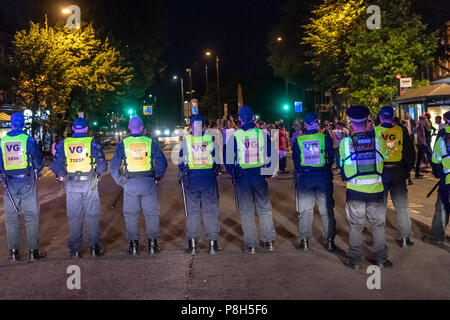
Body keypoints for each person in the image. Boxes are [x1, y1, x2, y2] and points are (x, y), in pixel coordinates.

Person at [339, 106, 392, 270]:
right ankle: (382, 259)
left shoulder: (345, 143)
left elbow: (343, 167)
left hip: (355, 191)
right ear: (368, 121)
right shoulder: (378, 141)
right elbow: (385, 158)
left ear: (349, 122)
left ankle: (355, 260)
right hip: (375, 191)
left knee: (355, 226)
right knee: (377, 226)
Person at [110, 116, 168, 255]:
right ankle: (153, 244)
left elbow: (113, 166)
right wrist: (157, 176)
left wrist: (119, 180)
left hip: (130, 183)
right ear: (142, 128)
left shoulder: (123, 143)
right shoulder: (150, 142)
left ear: (130, 127)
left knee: (131, 214)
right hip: (148, 182)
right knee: (151, 213)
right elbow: (162, 163)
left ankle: (133, 245)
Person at [51, 118, 108, 258]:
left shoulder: (65, 143)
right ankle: (94, 247)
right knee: (92, 215)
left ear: (73, 128)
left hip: (71, 183)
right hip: (89, 183)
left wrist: (63, 175)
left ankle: (75, 250)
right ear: (86, 128)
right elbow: (102, 166)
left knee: (74, 216)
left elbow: (55, 166)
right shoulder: (92, 143)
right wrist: (97, 173)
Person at [224, 105, 276, 253]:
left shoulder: (235, 136)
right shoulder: (261, 134)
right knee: (264, 209)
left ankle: (251, 244)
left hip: (243, 176)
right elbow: (272, 155)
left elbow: (228, 160)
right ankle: (269, 242)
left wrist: (234, 174)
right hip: (259, 175)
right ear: (253, 117)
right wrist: (267, 173)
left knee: (246, 211)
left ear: (239, 119)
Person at [0, 113, 44, 261]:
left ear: (11, 124)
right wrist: (38, 170)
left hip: (9, 184)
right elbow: (37, 161)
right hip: (27, 182)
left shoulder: (2, 141)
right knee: (31, 216)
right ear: (23, 124)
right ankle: (33, 252)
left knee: (11, 218)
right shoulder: (28, 140)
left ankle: (13, 252)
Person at [292, 112, 336, 251]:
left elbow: (296, 161)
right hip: (323, 176)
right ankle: (329, 240)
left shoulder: (299, 140)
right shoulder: (324, 137)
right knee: (326, 209)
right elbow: (331, 156)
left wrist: (303, 170)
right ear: (317, 123)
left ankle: (304, 241)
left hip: (306, 177)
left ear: (305, 124)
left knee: (305, 210)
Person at [179, 115, 221, 254]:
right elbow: (216, 160)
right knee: (210, 211)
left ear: (191, 126)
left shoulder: (186, 141)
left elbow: (180, 161)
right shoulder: (210, 139)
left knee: (193, 212)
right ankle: (213, 244)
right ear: (203, 126)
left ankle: (192, 245)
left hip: (192, 180)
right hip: (208, 178)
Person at [374, 106, 415, 247]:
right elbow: (410, 153)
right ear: (392, 117)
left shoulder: (375, 132)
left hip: (380, 172)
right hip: (397, 171)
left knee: (380, 207)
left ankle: (379, 239)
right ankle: (405, 237)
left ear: (380, 117)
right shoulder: (400, 131)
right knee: (402, 207)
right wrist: (406, 170)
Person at [429, 111, 450, 245]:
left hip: (447, 180)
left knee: (442, 208)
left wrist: (439, 173)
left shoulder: (443, 136)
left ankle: (437, 237)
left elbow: (435, 160)